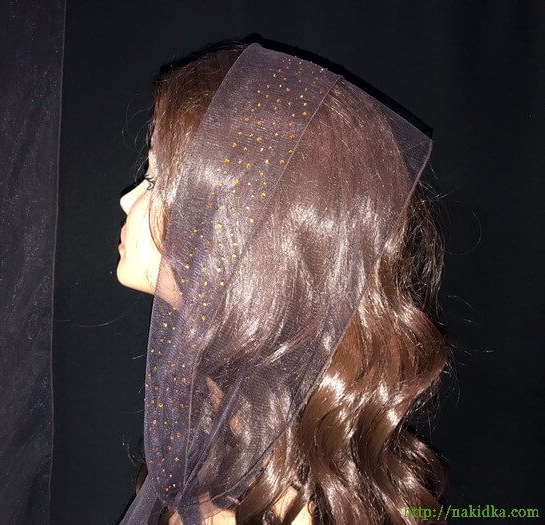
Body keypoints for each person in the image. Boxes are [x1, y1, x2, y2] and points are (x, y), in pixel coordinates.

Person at [117, 41, 449, 524]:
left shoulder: (274, 507)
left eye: (155, 181)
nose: (127, 201)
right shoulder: (223, 432)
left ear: (232, 232)